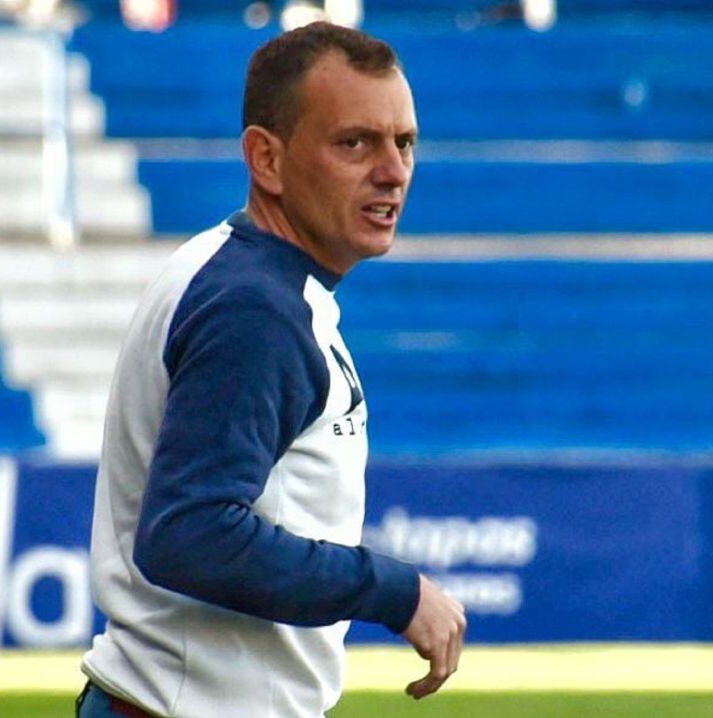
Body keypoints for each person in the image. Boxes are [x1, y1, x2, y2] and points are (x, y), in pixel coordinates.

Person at [79, 21, 466, 718]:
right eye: (355, 143)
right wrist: (392, 590)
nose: (393, 169)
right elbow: (190, 535)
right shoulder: (255, 308)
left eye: (404, 142)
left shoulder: (244, 276)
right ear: (267, 159)